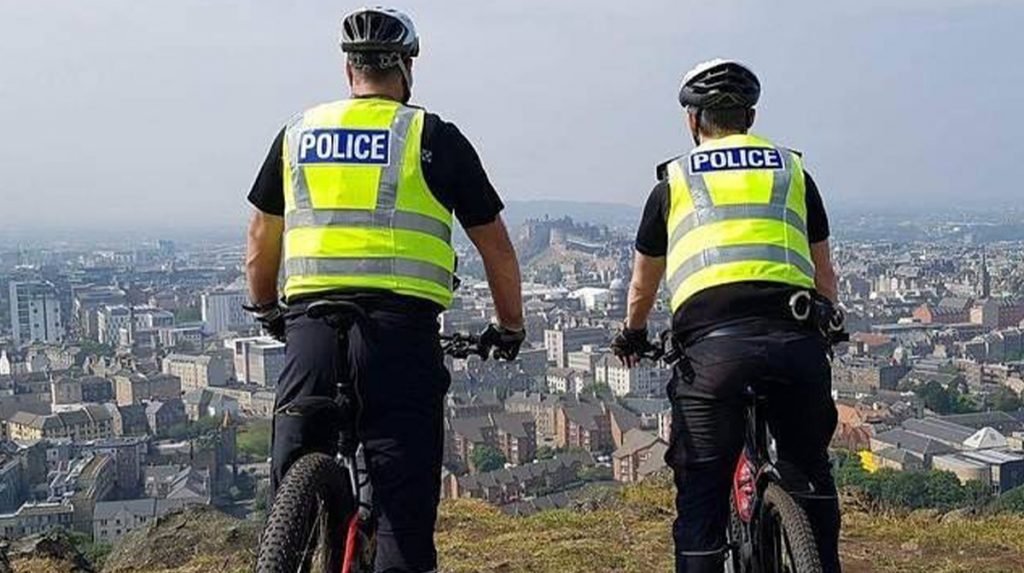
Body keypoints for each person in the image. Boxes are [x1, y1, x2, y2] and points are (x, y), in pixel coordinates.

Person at [244, 7, 525, 572]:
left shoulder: (298, 133)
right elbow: (495, 246)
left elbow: (259, 238)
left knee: (295, 462)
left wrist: (269, 308)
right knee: (402, 512)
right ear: (406, 68)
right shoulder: (430, 136)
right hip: (398, 337)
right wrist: (510, 327)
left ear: (349, 69)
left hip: (311, 331)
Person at [611, 59, 842, 573]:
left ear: (693, 120)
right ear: (751, 116)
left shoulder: (675, 181)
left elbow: (642, 284)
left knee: (701, 493)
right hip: (793, 336)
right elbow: (825, 275)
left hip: (712, 350)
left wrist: (632, 335)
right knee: (811, 471)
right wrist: (830, 323)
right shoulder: (794, 172)